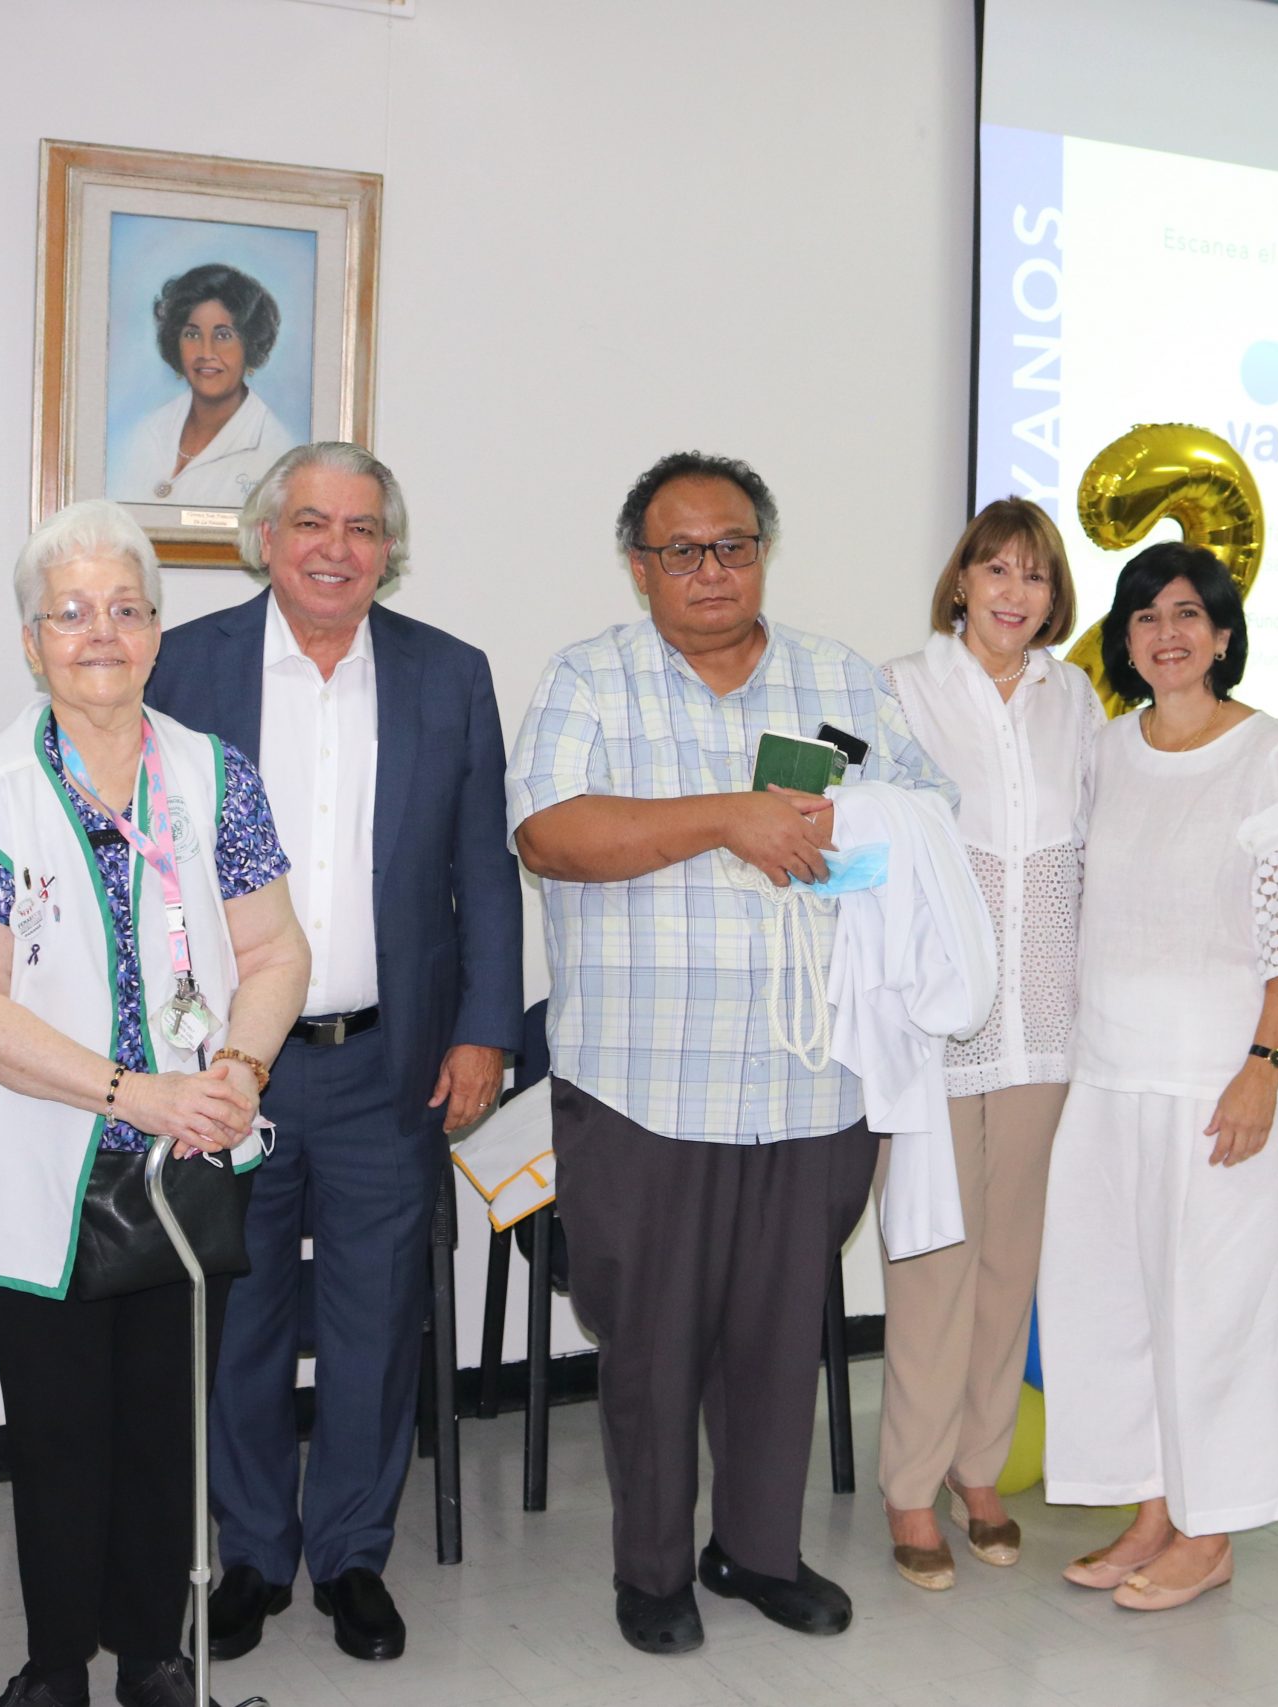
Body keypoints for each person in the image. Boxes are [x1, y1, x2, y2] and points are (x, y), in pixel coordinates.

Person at [507, 451, 953, 1656]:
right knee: (651, 1345)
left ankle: (756, 1553)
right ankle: (652, 1572)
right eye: (682, 550)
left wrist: (851, 825)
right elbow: (548, 833)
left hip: (812, 1081)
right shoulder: (590, 678)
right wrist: (727, 819)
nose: (711, 569)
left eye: (734, 545)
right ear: (639, 566)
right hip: (643, 1084)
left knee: (777, 1338)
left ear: (762, 551)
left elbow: (927, 822)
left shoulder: (838, 677)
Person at [0, 499, 310, 1707]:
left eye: (126, 609)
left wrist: (238, 1073)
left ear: (156, 632)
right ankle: (52, 1671)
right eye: (72, 613)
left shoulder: (213, 776)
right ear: (32, 642)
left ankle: (152, 1659)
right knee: (62, 1441)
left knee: (167, 1433)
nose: (101, 632)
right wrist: (138, 1094)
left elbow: (275, 949)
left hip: (189, 1166)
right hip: (43, 1164)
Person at [144, 442, 523, 1664]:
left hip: (388, 1064)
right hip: (228, 1066)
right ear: (266, 538)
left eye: (362, 528)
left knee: (375, 1320)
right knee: (240, 1316)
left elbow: (481, 868)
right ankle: (252, 1554)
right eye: (311, 522)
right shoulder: (182, 666)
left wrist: (484, 1029)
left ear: (387, 552)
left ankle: (353, 1553)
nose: (335, 548)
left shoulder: (447, 674)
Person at [1039, 543, 1278, 1612]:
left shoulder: (1267, 753)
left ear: (1223, 635)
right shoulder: (1110, 749)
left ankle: (1209, 1532)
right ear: (1124, 641)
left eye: (1187, 614)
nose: (1165, 633)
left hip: (1222, 1083)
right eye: (1144, 616)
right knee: (1114, 1306)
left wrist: (1266, 1064)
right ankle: (1150, 1511)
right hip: (1110, 1075)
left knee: (1218, 1315)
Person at [872, 498, 1100, 1590]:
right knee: (932, 1264)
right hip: (934, 1028)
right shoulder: (900, 688)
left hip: (1044, 1030)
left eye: (1036, 575)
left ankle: (979, 1469)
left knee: (1011, 1264)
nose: (1015, 592)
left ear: (1054, 598)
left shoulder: (1076, 700)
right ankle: (910, 1486)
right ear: (960, 580)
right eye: (995, 569)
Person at [109, 263, 296, 507]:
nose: (206, 352)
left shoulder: (277, 453)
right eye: (192, 334)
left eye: (223, 335)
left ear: (250, 345)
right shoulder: (147, 431)